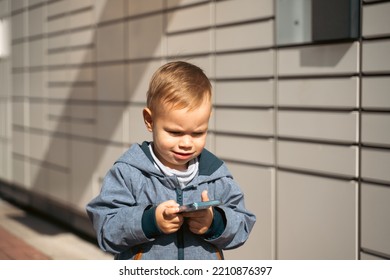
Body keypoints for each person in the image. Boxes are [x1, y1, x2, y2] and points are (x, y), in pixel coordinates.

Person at [86, 61, 256, 260]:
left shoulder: (215, 175)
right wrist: (149, 221)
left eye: (198, 133)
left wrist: (214, 221)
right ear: (150, 121)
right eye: (175, 132)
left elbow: (243, 223)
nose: (186, 143)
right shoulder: (129, 173)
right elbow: (106, 228)